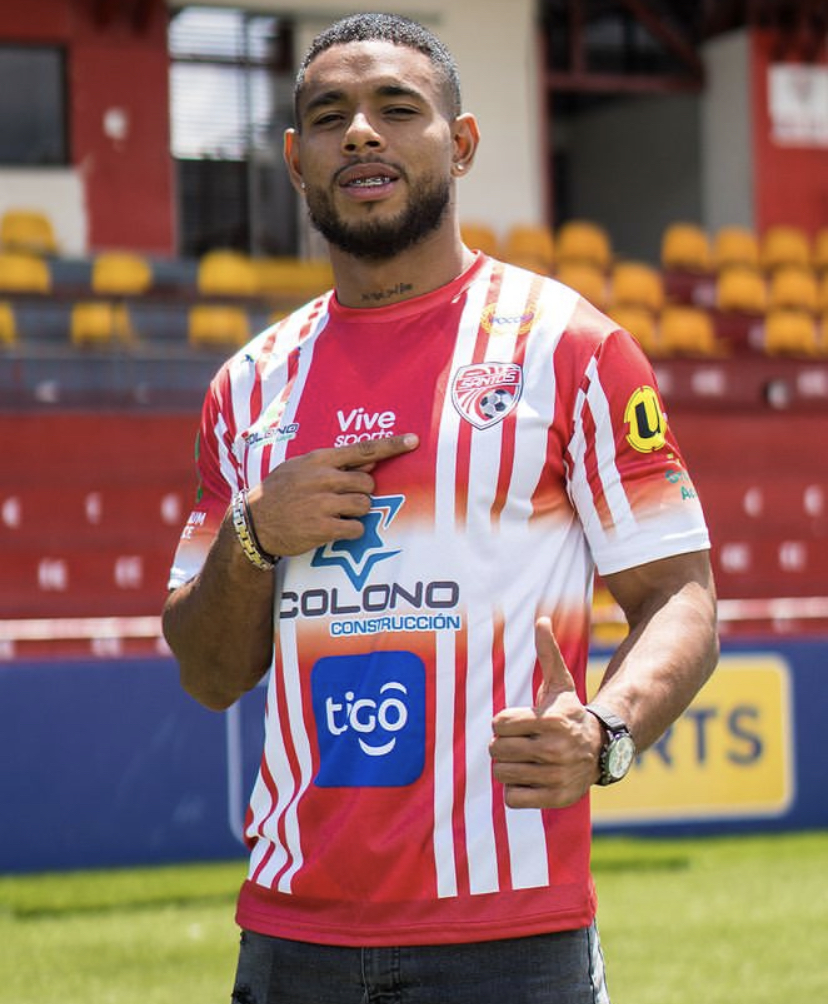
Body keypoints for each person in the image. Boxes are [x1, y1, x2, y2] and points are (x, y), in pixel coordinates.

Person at [162, 12, 719, 1003]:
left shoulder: (571, 349)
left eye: (396, 108)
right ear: (295, 161)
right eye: (329, 117)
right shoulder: (246, 389)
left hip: (512, 933)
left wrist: (605, 733)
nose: (359, 133)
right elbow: (208, 672)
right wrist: (255, 533)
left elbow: (681, 594)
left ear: (460, 143)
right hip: (292, 935)